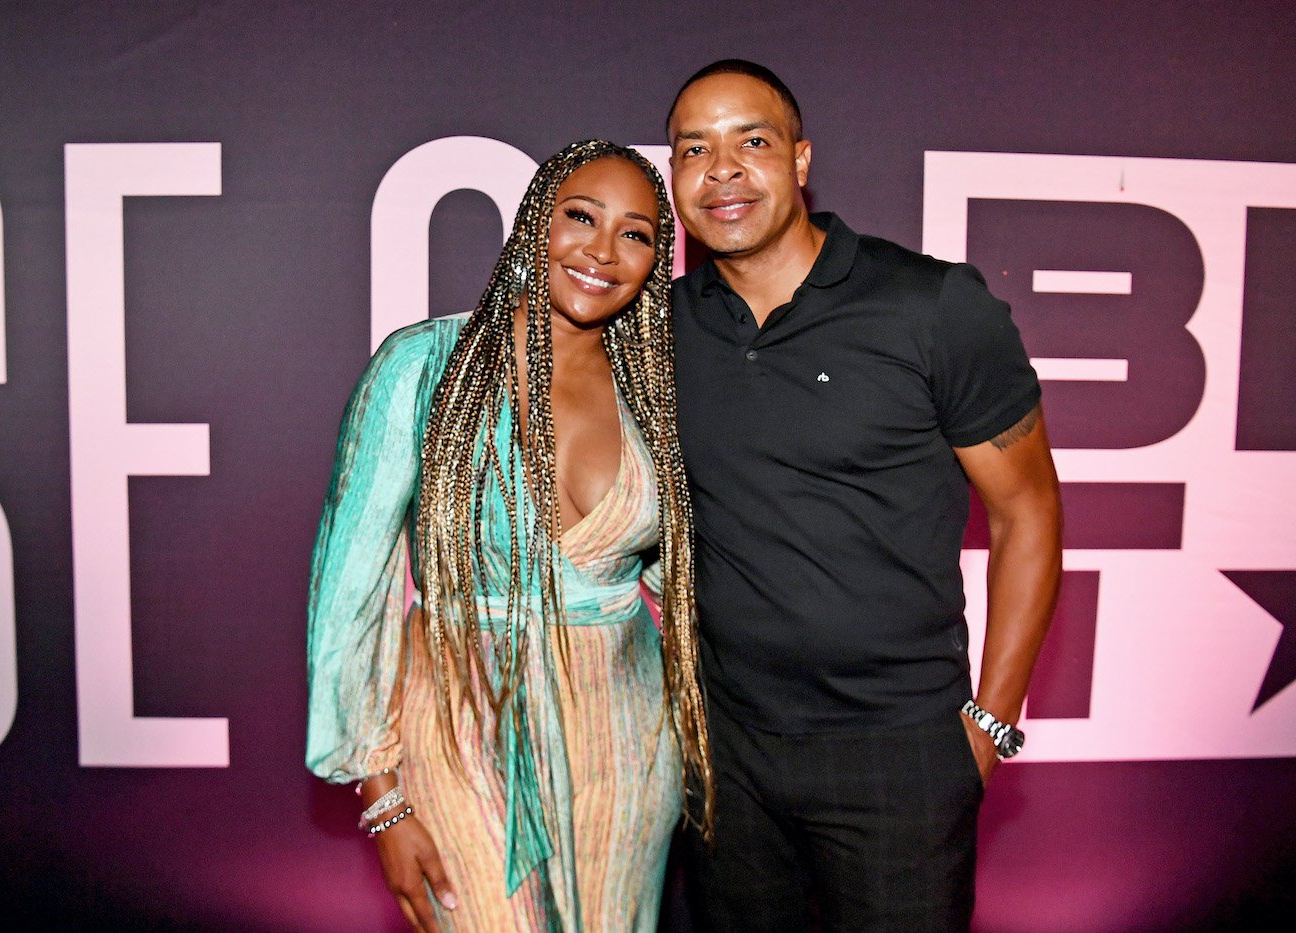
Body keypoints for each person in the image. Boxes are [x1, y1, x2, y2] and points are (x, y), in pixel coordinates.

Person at [665, 61, 1064, 931]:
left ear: (802, 161)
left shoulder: (931, 306)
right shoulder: (661, 327)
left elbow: (1027, 510)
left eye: (752, 142)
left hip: (900, 750)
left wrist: (989, 728)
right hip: (723, 755)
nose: (722, 170)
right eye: (695, 149)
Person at [306, 140, 713, 933]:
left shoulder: (657, 394)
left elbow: (693, 581)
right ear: (535, 224)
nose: (603, 250)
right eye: (581, 217)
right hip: (458, 730)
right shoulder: (423, 367)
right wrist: (383, 799)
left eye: (635, 234)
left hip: (625, 745)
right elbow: (353, 588)